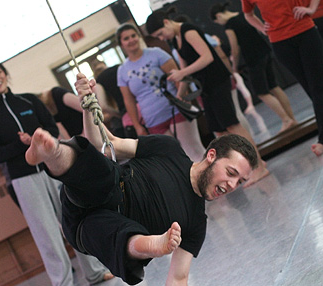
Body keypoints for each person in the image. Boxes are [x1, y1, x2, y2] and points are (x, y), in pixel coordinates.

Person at [24, 72, 259, 286]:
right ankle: (51, 152)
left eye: (239, 182)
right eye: (231, 173)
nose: (232, 185)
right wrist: (88, 107)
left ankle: (150, 244)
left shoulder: (196, 222)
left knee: (117, 229)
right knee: (102, 174)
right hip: (98, 190)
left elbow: (178, 278)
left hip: (90, 229)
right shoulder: (169, 149)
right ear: (211, 156)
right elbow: (105, 143)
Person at [0, 59, 113, 286]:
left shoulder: (29, 100)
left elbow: (52, 129)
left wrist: (40, 140)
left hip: (53, 168)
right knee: (46, 233)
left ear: (5, 74)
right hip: (23, 179)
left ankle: (95, 271)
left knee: (75, 219)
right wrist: (24, 145)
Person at [146, 8, 270, 183]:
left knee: (232, 125)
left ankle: (258, 166)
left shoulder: (188, 30)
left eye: (160, 33)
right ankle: (241, 168)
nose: (161, 38)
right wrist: (180, 95)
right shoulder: (175, 39)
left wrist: (182, 75)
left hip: (217, 81)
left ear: (167, 22)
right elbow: (184, 69)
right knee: (219, 131)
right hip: (206, 88)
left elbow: (207, 57)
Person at [241, 0, 323, 156]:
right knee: (312, 89)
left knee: (319, 88)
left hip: (306, 33)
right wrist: (262, 28)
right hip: (280, 43)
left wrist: (311, 8)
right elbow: (248, 14)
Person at [116, 23, 206, 161]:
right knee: (174, 159)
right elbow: (128, 101)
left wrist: (183, 98)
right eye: (126, 38)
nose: (131, 40)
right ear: (121, 44)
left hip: (176, 110)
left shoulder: (156, 53)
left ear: (139, 37)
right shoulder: (122, 70)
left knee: (193, 151)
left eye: (133, 35)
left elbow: (178, 78)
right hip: (153, 120)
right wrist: (137, 126)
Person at [210, 2, 299, 131]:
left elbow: (235, 49)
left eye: (218, 22)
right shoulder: (244, 15)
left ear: (218, 16)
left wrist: (234, 67)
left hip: (253, 59)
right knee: (274, 86)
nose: (221, 24)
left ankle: (286, 119)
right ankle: (292, 119)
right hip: (265, 52)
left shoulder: (230, 25)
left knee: (262, 92)